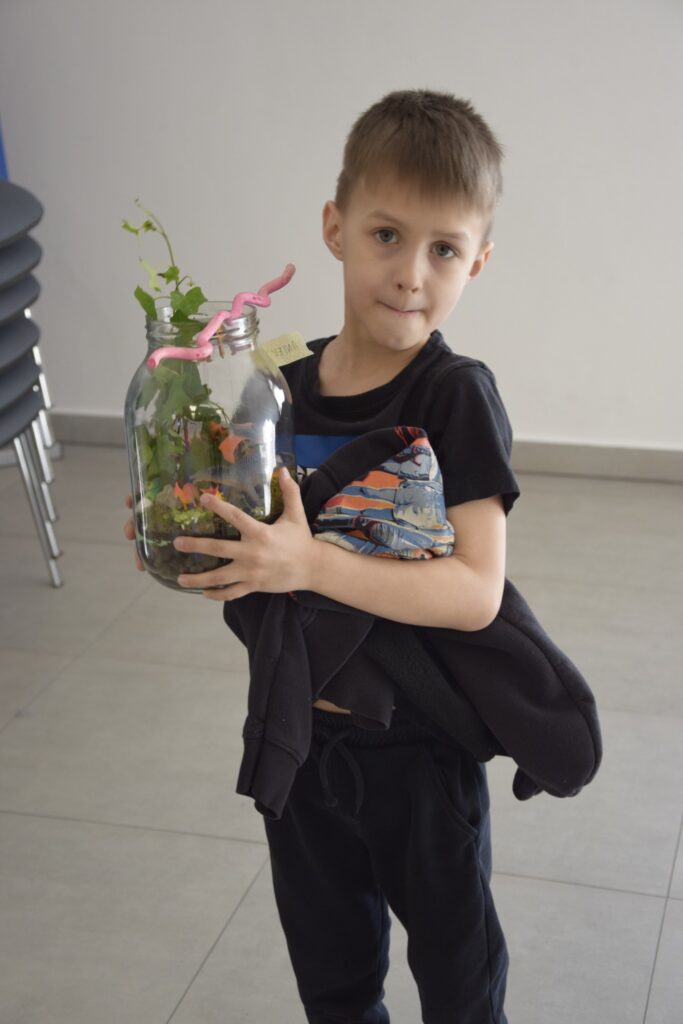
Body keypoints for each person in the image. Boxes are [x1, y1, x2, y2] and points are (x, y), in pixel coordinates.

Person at [125, 89, 520, 1023]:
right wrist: (179, 528)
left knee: (460, 989)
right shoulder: (277, 389)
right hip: (301, 741)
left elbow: (476, 593)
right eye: (386, 235)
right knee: (334, 987)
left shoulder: (455, 396)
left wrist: (307, 565)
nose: (411, 274)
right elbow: (258, 554)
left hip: (421, 751)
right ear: (335, 228)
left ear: (478, 260)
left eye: (444, 249)